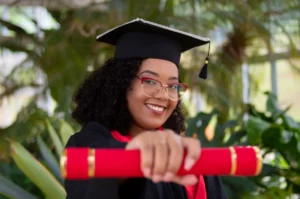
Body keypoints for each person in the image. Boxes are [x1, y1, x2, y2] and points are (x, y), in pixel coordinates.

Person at [64, 18, 227, 199]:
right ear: (122, 83)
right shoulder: (87, 143)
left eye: (173, 86)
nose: (163, 95)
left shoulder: (192, 160)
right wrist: (135, 156)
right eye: (149, 82)